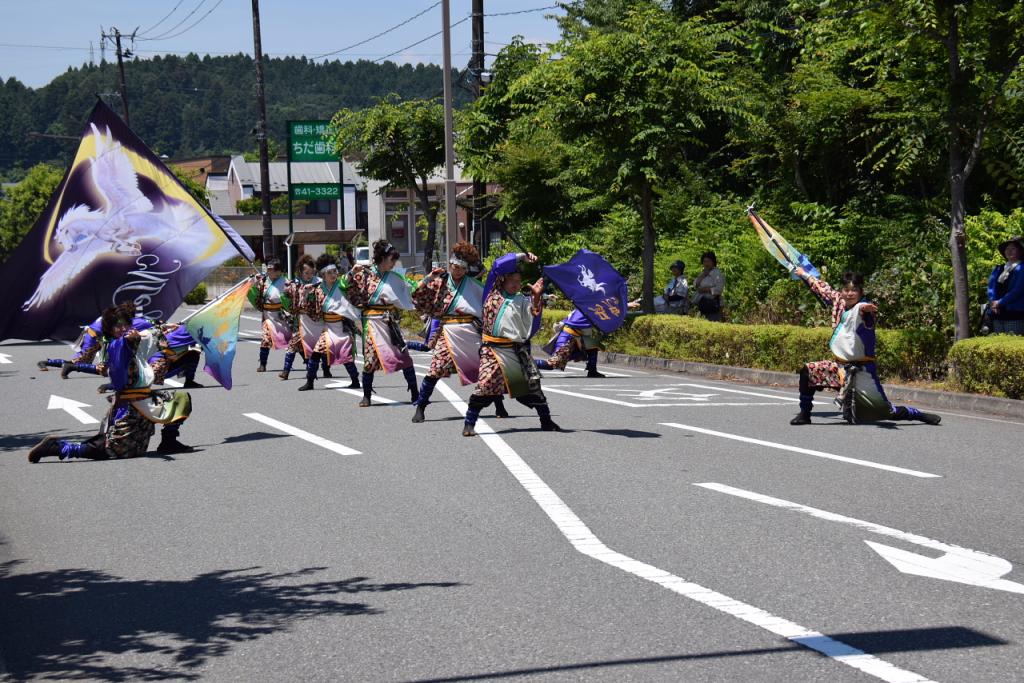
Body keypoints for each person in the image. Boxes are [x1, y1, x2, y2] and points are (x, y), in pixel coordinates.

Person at [28, 305, 193, 462]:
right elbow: (126, 345)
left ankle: (168, 441)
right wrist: (130, 340)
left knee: (180, 399)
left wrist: (166, 329)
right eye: (117, 326)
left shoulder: (132, 339)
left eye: (125, 325)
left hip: (146, 400)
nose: (122, 328)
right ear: (110, 330)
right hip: (130, 407)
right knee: (112, 449)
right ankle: (58, 448)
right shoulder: (117, 346)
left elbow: (147, 337)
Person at [787, 268, 941, 426]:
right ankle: (805, 413)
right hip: (840, 368)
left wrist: (864, 309)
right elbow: (822, 287)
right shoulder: (838, 301)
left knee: (886, 412)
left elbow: (861, 311)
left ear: (861, 292)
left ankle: (919, 415)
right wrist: (803, 274)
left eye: (854, 290)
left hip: (863, 371)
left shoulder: (864, 309)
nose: (849, 294)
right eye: (846, 290)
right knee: (808, 371)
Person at [462, 252, 561, 437]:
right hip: (492, 351)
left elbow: (533, 317)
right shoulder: (491, 294)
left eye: (518, 280)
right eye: (512, 280)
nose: (516, 284)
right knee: (484, 386)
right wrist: (521, 257)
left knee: (533, 387)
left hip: (515, 352)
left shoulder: (522, 300)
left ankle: (546, 420)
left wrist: (537, 297)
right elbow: (497, 267)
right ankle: (469, 423)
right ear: (502, 281)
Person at [409, 241, 509, 422]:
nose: (457, 271)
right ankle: (421, 406)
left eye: (462, 268)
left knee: (486, 369)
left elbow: (493, 298)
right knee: (435, 369)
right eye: (455, 267)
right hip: (448, 331)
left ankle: (499, 405)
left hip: (471, 331)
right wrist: (428, 278)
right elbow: (416, 296)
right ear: (450, 264)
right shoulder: (439, 282)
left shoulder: (474, 284)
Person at [343, 240, 419, 406]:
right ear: (382, 258)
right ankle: (366, 396)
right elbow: (343, 287)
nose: (393, 264)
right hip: (372, 323)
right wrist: (350, 273)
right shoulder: (363, 275)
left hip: (389, 322)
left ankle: (415, 392)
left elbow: (413, 288)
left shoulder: (396, 277)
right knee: (370, 361)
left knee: (404, 357)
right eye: (391, 260)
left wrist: (427, 281)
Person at [295, 254, 362, 391]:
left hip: (341, 328)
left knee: (346, 356)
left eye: (335, 271)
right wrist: (306, 294)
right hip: (327, 329)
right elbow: (310, 308)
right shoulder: (318, 288)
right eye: (329, 272)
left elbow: (347, 278)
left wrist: (353, 271)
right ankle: (310, 382)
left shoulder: (341, 285)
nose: (333, 274)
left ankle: (355, 380)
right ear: (323, 274)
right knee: (315, 354)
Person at [37, 307, 154, 378]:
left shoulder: (114, 316)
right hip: (94, 338)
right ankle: (50, 363)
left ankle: (64, 365)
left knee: (84, 361)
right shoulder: (129, 321)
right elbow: (150, 322)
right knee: (83, 361)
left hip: (94, 336)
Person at [278, 255, 319, 380]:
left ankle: (315, 369)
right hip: (299, 320)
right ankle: (286, 371)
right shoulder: (293, 284)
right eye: (306, 272)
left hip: (313, 321)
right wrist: (289, 303)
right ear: (300, 271)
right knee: (293, 345)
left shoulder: (317, 284)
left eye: (311, 272)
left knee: (312, 347)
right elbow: (284, 297)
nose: (309, 275)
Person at [535, 308, 605, 378]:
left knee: (593, 346)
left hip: (575, 338)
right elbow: (586, 332)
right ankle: (527, 364)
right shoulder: (585, 311)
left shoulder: (581, 309)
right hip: (568, 338)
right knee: (553, 363)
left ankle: (592, 371)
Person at [249, 258, 292, 373]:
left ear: (279, 272)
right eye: (267, 269)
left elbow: (290, 299)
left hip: (281, 315)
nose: (268, 271)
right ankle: (263, 364)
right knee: (265, 339)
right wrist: (256, 282)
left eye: (271, 269)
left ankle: (308, 362)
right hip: (267, 316)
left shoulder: (286, 282)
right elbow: (256, 293)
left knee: (293, 340)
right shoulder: (264, 281)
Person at [987, 235, 1024, 335]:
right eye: (1007, 249)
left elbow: (1018, 290)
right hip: (997, 312)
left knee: (1013, 343)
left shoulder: (1022, 268)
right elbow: (991, 288)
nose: (1009, 251)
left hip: (1014, 312)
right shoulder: (999, 268)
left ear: (1020, 251)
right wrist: (993, 303)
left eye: (1013, 248)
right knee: (999, 343)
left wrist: (1000, 302)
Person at [691, 251, 725, 321]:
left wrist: (706, 289)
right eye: (704, 261)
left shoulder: (717, 274)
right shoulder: (703, 273)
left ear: (713, 262)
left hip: (712, 305)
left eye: (708, 261)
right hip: (702, 304)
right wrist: (703, 275)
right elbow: (695, 284)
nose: (706, 264)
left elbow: (719, 289)